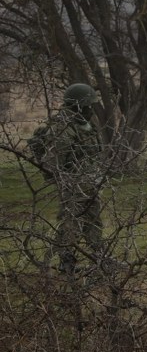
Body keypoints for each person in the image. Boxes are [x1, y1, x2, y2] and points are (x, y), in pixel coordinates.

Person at [28, 83, 104, 274]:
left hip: (89, 181)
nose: (90, 109)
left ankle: (100, 258)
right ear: (78, 106)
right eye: (87, 105)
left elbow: (95, 152)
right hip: (73, 184)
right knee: (71, 223)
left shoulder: (85, 124)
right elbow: (54, 165)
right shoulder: (63, 129)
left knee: (93, 220)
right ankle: (66, 261)